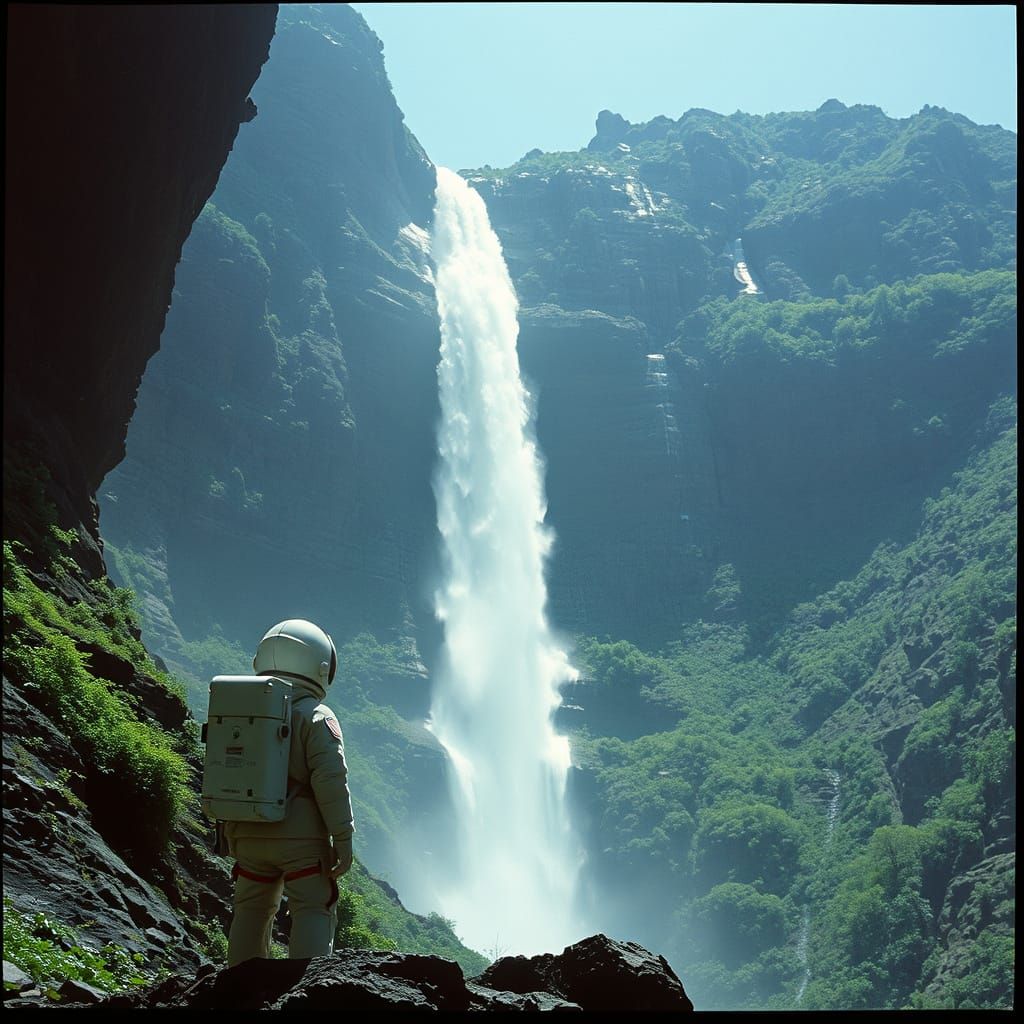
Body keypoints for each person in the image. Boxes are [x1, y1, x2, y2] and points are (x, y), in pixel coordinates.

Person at [224, 619, 355, 966]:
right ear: (321, 666)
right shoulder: (315, 715)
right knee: (314, 907)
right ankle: (305, 992)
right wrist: (342, 837)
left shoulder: (239, 707)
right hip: (301, 843)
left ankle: (238, 990)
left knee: (251, 910)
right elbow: (331, 780)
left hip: (247, 832)